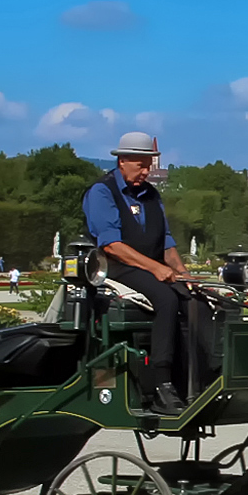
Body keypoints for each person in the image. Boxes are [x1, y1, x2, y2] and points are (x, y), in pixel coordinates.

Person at [83, 131, 194, 416]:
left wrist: (183, 273)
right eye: (141, 165)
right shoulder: (103, 192)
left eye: (149, 165)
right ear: (122, 161)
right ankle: (161, 385)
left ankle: (195, 379)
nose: (146, 171)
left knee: (196, 301)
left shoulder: (151, 195)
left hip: (150, 267)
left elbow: (166, 242)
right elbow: (111, 245)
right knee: (166, 300)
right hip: (118, 268)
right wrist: (156, 267)